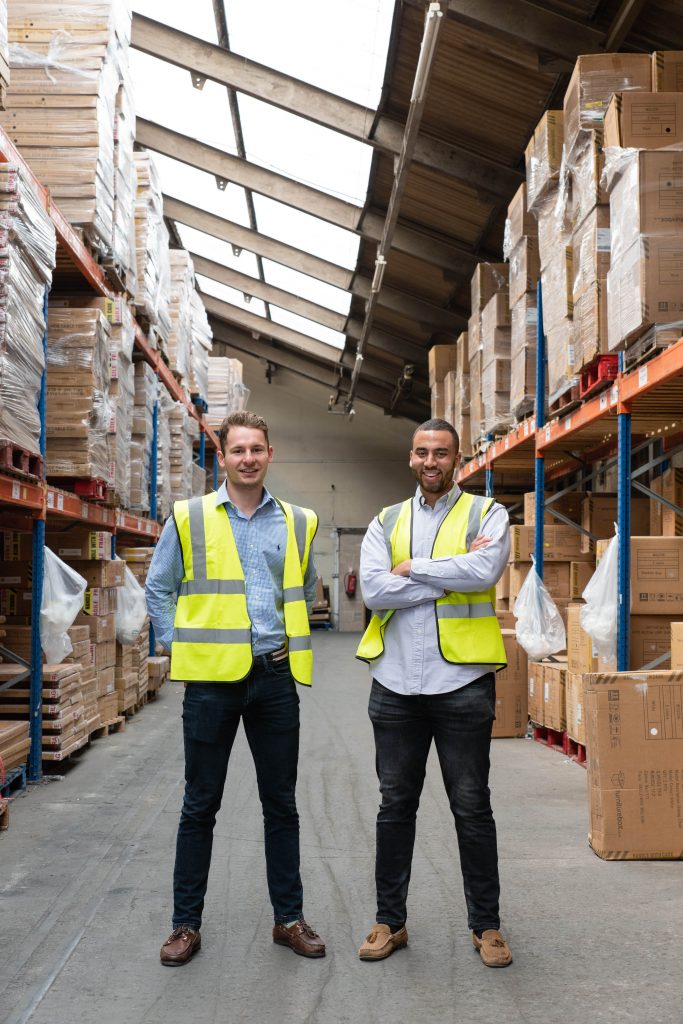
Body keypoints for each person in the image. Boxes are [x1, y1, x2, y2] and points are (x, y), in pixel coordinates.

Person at [146, 410, 325, 966]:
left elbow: (306, 583)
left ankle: (289, 919)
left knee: (282, 806)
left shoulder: (297, 521)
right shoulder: (189, 516)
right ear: (221, 457)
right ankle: (184, 926)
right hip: (210, 683)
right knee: (200, 805)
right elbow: (159, 587)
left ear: (270, 454)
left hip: (273, 678)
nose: (248, 458)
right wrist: (184, 647)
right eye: (238, 449)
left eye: (257, 449)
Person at [355, 417, 512, 967]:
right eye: (421, 452)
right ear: (410, 458)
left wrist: (415, 571)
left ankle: (486, 926)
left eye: (440, 453)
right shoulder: (385, 519)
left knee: (472, 806)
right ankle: (388, 922)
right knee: (394, 805)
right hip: (395, 684)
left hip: (461, 683)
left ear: (457, 458)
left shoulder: (487, 513)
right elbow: (374, 589)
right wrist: (444, 579)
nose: (430, 462)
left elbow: (484, 570)